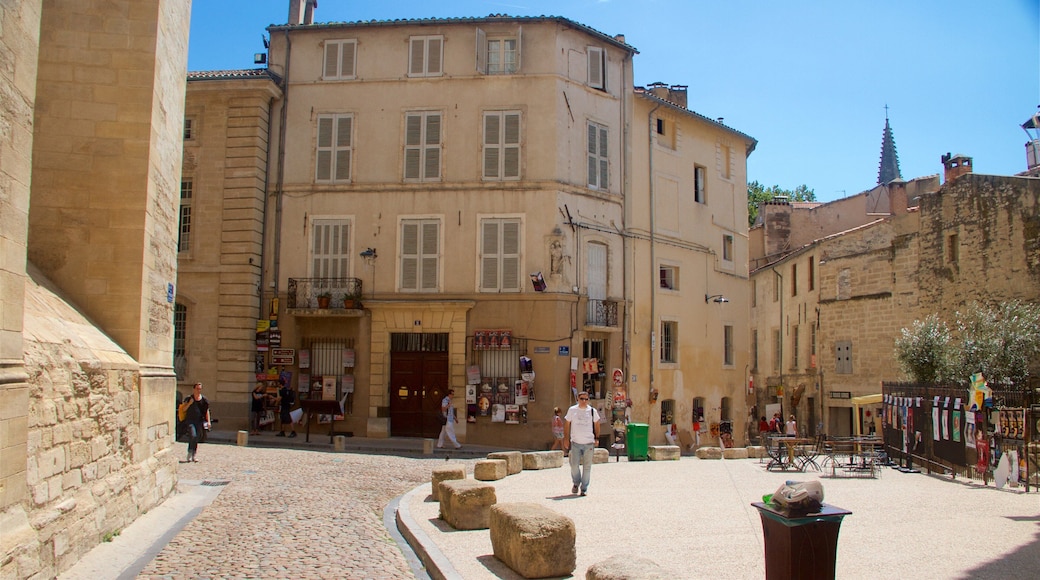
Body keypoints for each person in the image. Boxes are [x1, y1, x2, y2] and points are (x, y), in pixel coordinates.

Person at [563, 392, 600, 496]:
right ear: (578, 399)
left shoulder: (592, 411)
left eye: (586, 399)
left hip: (589, 443)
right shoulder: (572, 410)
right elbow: (567, 424)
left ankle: (584, 488)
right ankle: (576, 482)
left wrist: (597, 437)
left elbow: (597, 424)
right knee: (574, 465)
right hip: (576, 442)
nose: (584, 401)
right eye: (582, 399)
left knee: (587, 467)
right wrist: (566, 438)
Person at [181, 382, 211, 463]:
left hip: (199, 421)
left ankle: (194, 454)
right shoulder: (189, 398)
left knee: (196, 437)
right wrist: (189, 403)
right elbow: (183, 409)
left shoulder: (204, 400)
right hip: (190, 420)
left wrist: (208, 422)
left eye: (200, 389)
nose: (199, 390)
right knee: (193, 435)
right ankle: (189, 453)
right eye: (197, 389)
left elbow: (206, 411)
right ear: (194, 389)